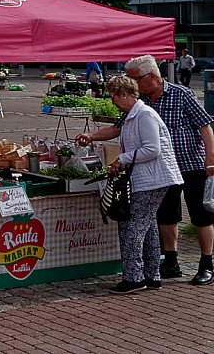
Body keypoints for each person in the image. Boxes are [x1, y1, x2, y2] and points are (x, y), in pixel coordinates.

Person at [81, 54, 214, 285]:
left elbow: (205, 126)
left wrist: (210, 159)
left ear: (152, 76)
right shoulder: (141, 101)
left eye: (136, 80)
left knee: (200, 216)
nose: (133, 85)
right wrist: (91, 135)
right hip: (161, 170)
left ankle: (207, 264)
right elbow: (118, 127)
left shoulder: (181, 94)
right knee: (166, 215)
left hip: (192, 163)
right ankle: (171, 261)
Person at [77, 75, 182, 293]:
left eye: (114, 97)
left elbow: (153, 149)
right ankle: (152, 275)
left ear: (125, 94)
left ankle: (134, 278)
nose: (113, 101)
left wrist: (122, 159)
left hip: (152, 179)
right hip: (150, 178)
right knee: (149, 226)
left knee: (132, 226)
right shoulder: (132, 115)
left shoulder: (144, 115)